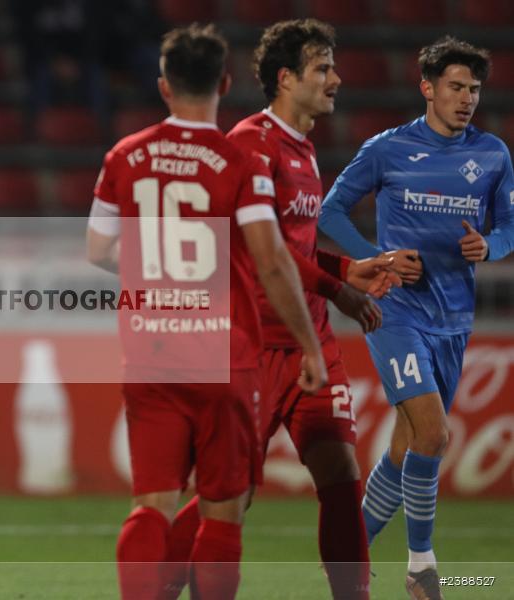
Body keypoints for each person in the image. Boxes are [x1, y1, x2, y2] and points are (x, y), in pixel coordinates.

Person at [161, 19, 403, 600]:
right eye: (323, 68)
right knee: (233, 494)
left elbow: (291, 244)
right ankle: (157, 578)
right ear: (287, 78)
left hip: (309, 342)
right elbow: (258, 247)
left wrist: (346, 271)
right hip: (251, 347)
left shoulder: (304, 149)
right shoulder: (249, 144)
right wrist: (337, 290)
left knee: (341, 476)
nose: (337, 79)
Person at [86, 23, 328, 600]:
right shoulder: (236, 160)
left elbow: (97, 249)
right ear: (223, 82)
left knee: (151, 506)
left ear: (164, 86)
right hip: (227, 355)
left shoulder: (125, 155)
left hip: (151, 355)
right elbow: (271, 261)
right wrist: (311, 346)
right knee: (223, 512)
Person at [319, 36, 514, 600]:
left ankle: (347, 554)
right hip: (396, 313)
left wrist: (492, 247)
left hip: (454, 317)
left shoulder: (494, 154)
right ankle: (424, 568)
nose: (466, 98)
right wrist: (375, 260)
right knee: (435, 432)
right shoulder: (388, 149)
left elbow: (508, 225)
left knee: (408, 449)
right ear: (427, 88)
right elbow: (332, 209)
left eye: (474, 89)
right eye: (455, 87)